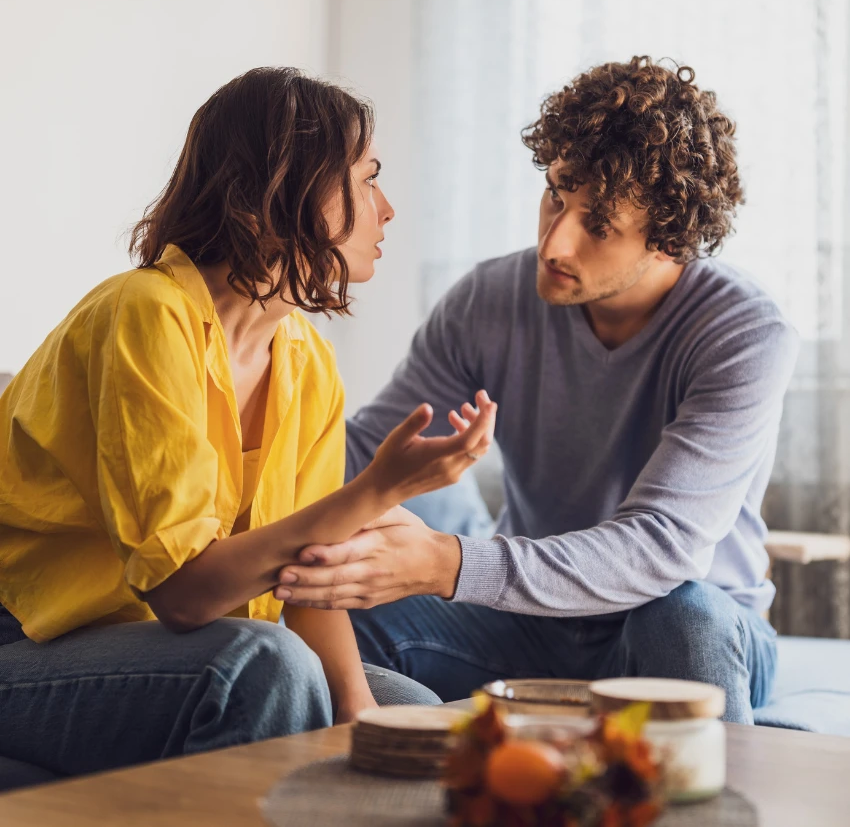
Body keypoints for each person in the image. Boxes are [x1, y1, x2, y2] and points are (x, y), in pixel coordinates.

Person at [271, 56, 799, 725]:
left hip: (678, 623)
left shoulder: (744, 330)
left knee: (685, 613)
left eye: (599, 224)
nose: (554, 242)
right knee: (317, 592)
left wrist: (447, 563)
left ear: (671, 240)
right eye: (556, 194)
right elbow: (364, 450)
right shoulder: (490, 298)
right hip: (527, 622)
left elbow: (662, 546)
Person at [0, 67, 497, 777]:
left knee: (410, 706)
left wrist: (362, 710)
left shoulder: (305, 359)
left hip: (185, 649)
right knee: (265, 665)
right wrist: (377, 490)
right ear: (283, 186)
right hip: (29, 644)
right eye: (366, 178)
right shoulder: (144, 313)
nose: (387, 208)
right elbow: (182, 593)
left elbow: (306, 577)